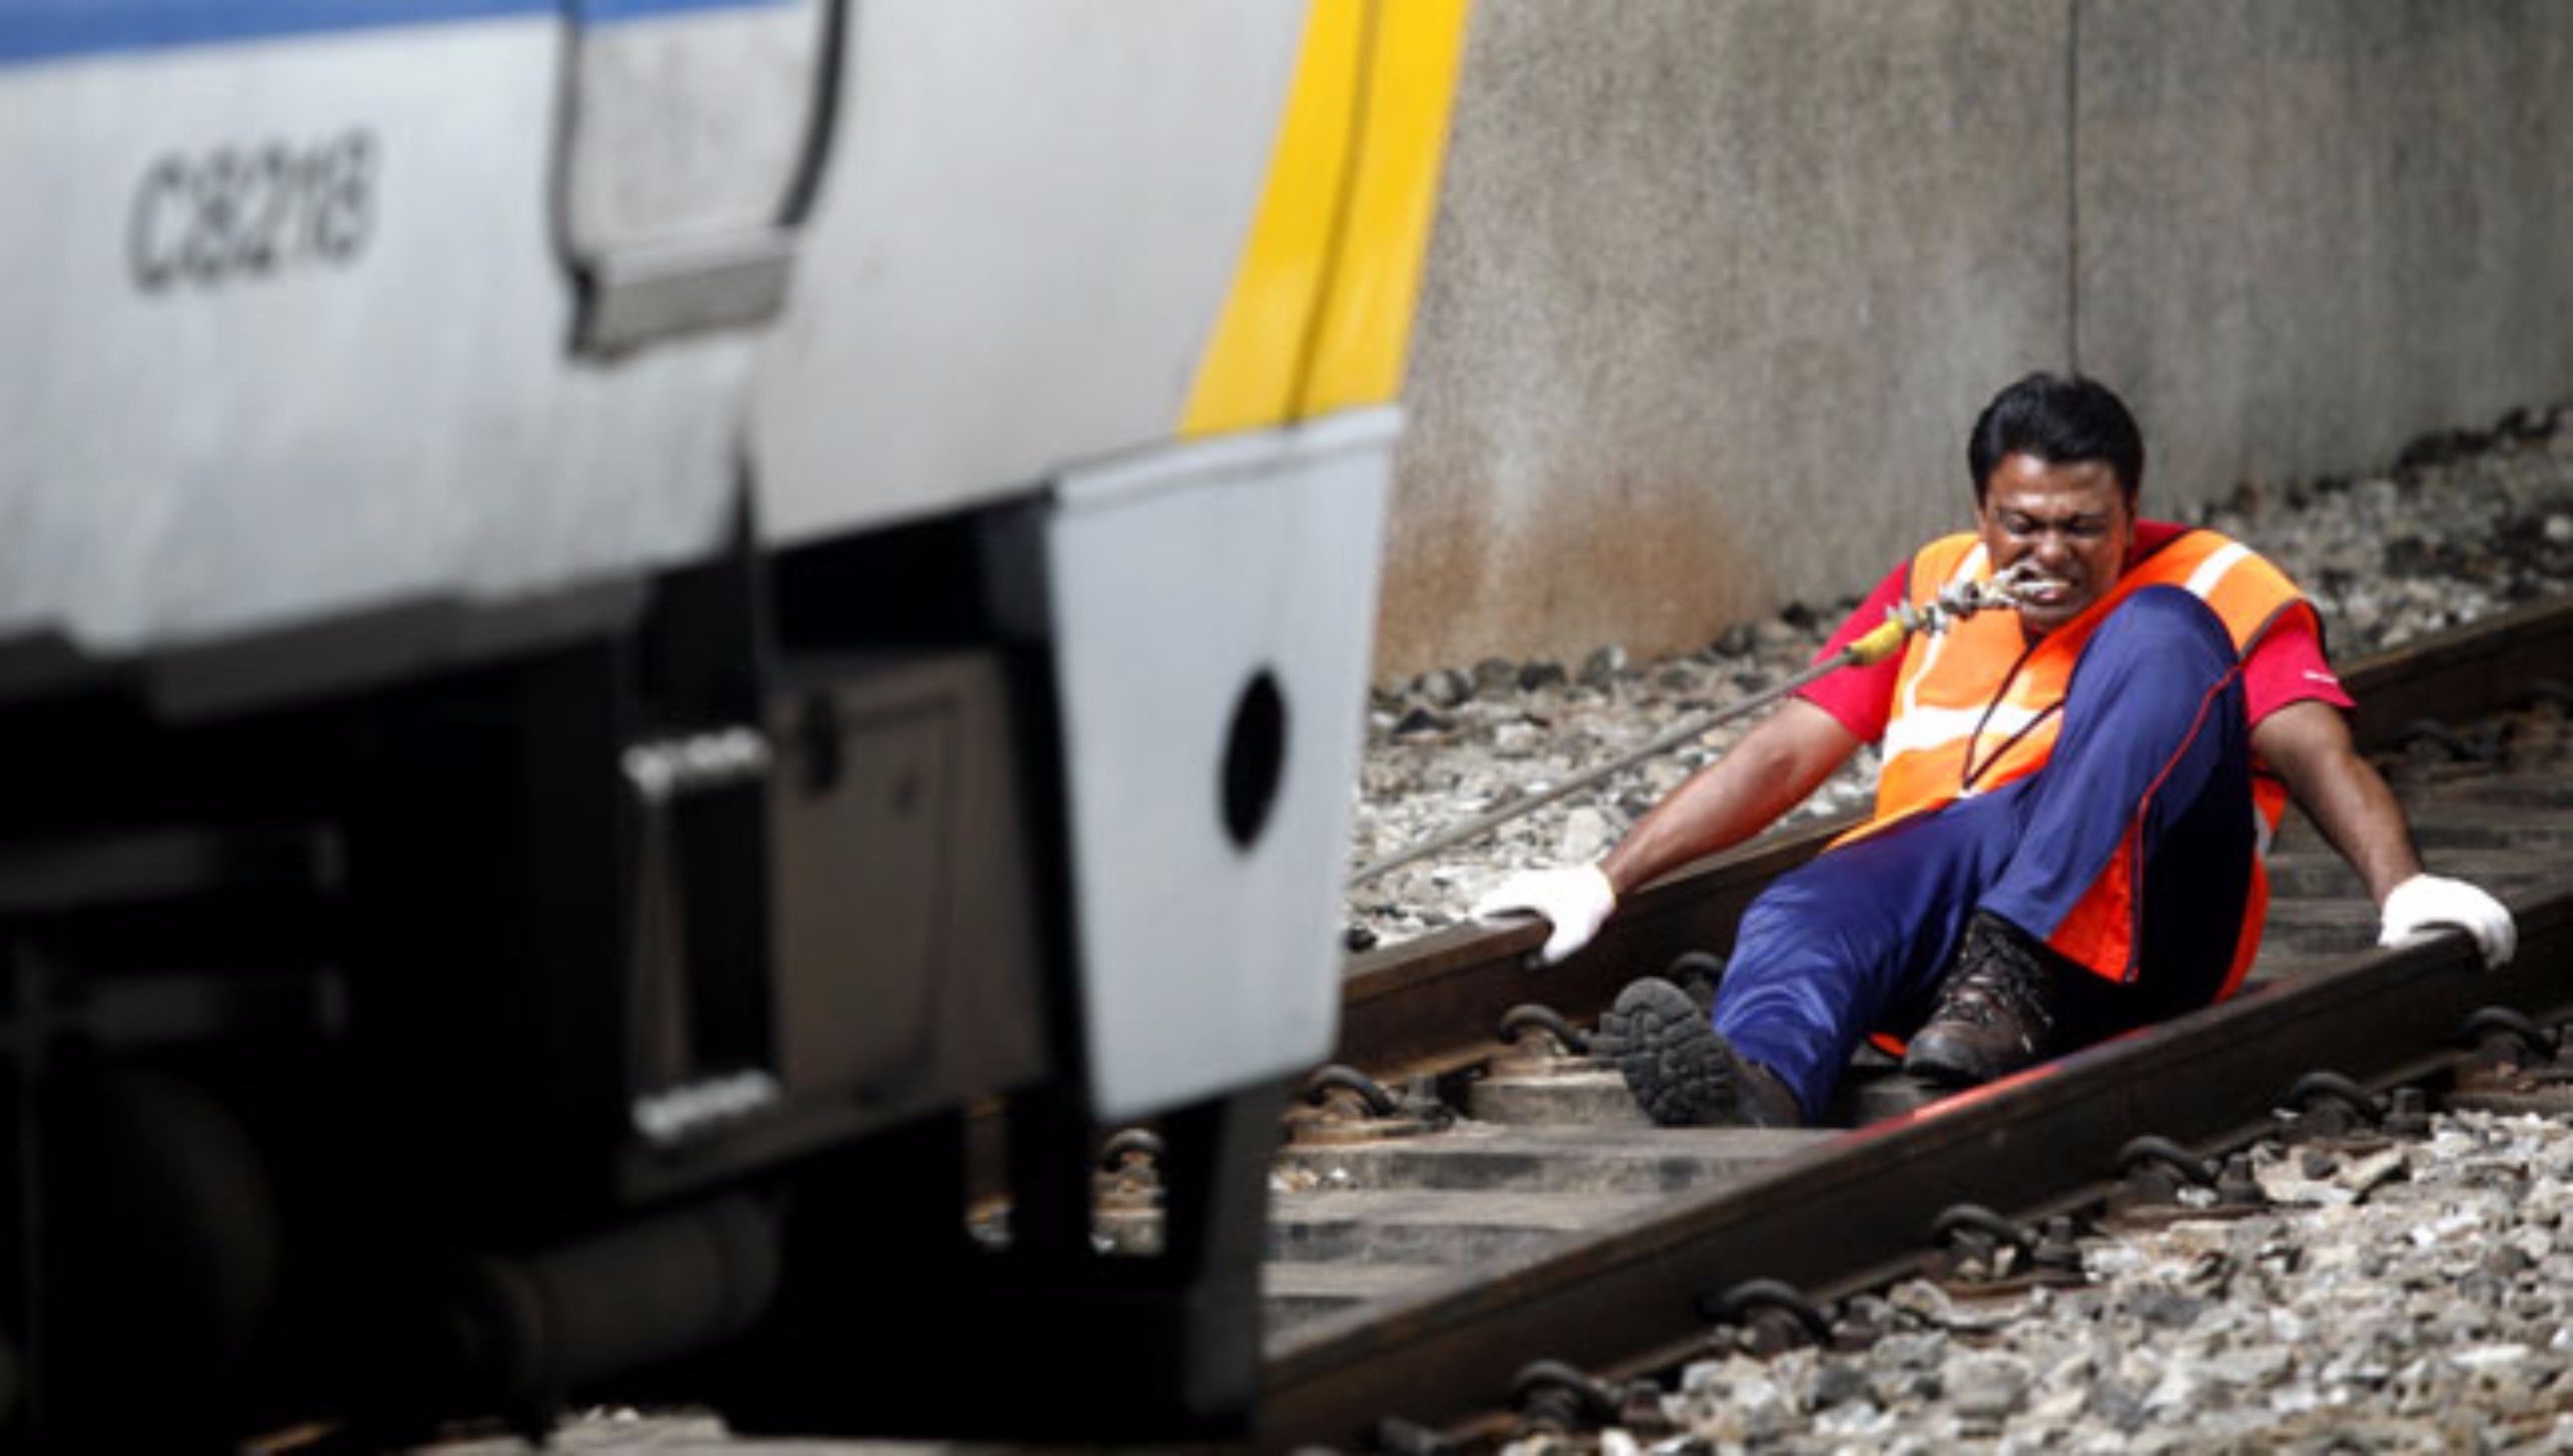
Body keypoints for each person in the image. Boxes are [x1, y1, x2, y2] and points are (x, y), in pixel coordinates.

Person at [1472, 373, 2517, 1128]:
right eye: (2022, 524)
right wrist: (1605, 879)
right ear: (1981, 512)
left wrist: (2404, 886)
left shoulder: (2215, 585)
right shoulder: (1935, 581)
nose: (2050, 552)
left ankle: (2013, 962)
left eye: (2083, 525)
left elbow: (2317, 752)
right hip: (1958, 954)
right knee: (1807, 901)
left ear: (2130, 510)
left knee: (2156, 633)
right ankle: (1759, 1088)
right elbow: (1787, 751)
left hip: (2153, 927)